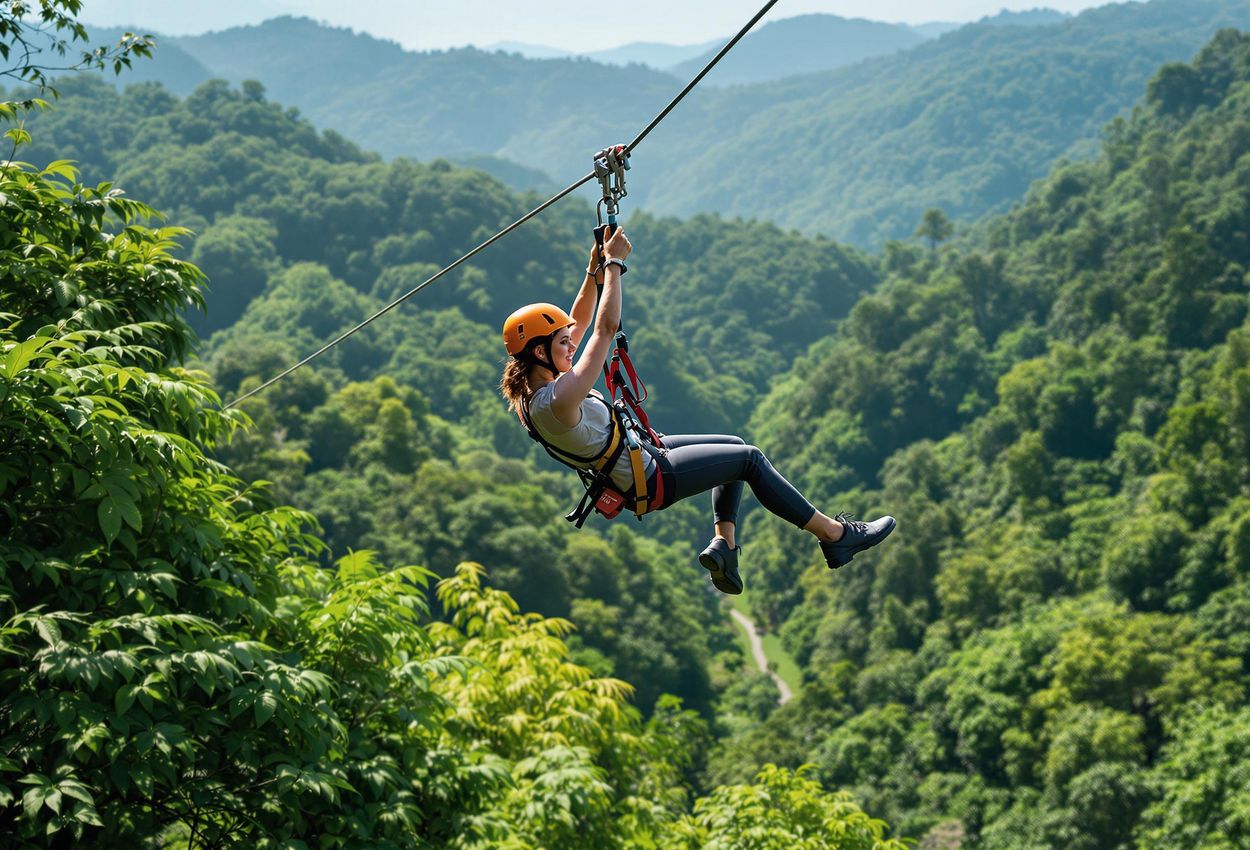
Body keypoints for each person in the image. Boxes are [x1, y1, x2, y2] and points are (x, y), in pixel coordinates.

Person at [499, 227, 895, 594]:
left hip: (640, 453)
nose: (572, 345)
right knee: (749, 459)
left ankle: (725, 546)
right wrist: (615, 265)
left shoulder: (533, 391)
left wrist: (593, 270)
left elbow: (582, 322)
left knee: (735, 447)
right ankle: (835, 536)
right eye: (563, 343)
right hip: (648, 477)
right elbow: (603, 330)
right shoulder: (559, 400)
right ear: (540, 352)